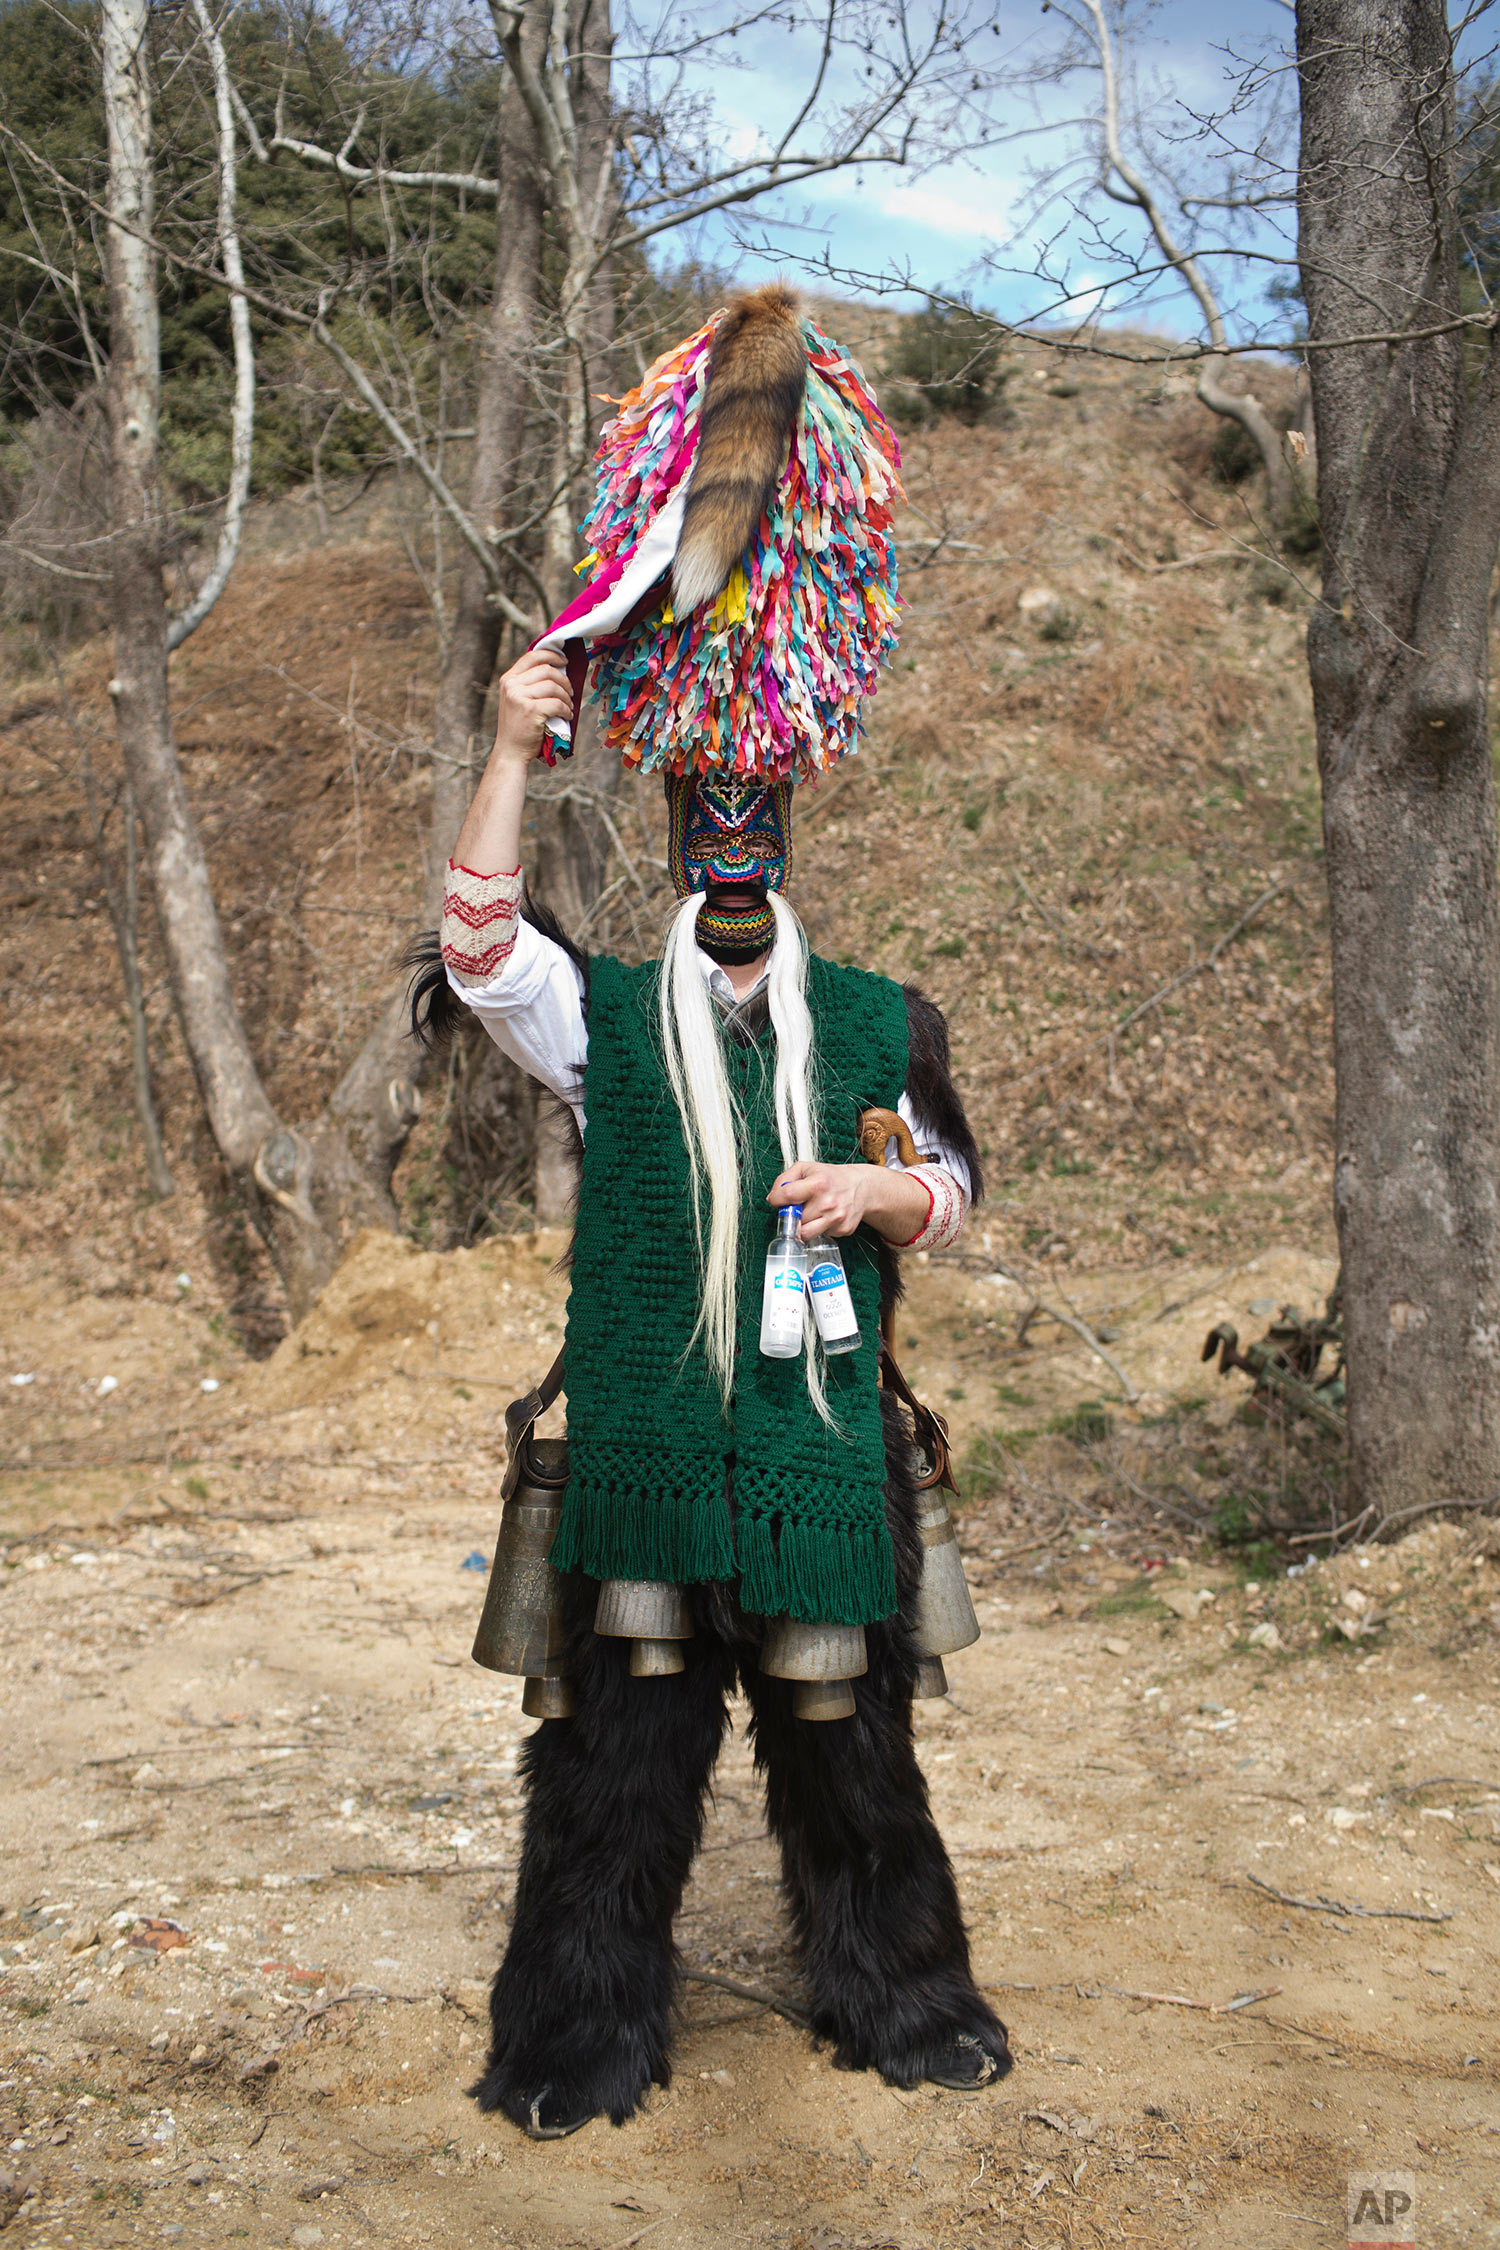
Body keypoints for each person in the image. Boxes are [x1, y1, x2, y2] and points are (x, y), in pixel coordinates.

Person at [415, 285, 1009, 2140]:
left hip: (829, 1451)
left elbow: (964, 1192)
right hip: (658, 1450)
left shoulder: (881, 1016)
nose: (734, 834)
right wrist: (515, 742)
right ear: (681, 829)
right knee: (619, 1748)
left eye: (761, 806)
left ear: (791, 818)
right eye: (710, 810)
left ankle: (902, 2000)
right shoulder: (600, 1015)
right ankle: (576, 2035)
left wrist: (882, 1185)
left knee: (850, 1740)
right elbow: (476, 942)